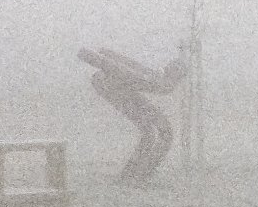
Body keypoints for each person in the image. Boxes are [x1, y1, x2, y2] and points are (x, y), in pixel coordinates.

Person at [77, 48, 188, 184]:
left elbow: (132, 68)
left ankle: (134, 175)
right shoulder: (158, 81)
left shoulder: (158, 79)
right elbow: (126, 71)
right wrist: (102, 59)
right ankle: (135, 176)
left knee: (156, 132)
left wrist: (108, 56)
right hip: (111, 85)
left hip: (117, 86)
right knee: (155, 132)